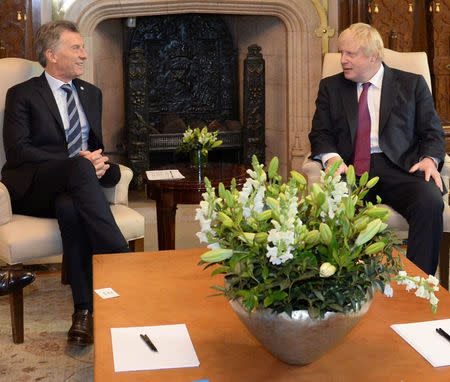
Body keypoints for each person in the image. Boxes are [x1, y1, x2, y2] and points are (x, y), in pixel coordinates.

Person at [1, 20, 130, 346]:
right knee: (76, 171)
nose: (85, 55)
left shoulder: (91, 94)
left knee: (72, 209)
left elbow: (95, 146)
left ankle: (83, 313)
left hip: (76, 190)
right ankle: (123, 260)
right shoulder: (22, 95)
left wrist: (101, 166)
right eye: (76, 47)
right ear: (51, 54)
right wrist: (77, 164)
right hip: (34, 188)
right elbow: (17, 152)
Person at [309, 23, 445, 276]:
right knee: (329, 203)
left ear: (373, 56)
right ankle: (341, 283)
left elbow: (432, 132)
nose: (343, 60)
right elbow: (320, 133)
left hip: (399, 166)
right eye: (341, 53)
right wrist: (331, 158)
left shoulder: (411, 84)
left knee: (429, 201)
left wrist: (429, 160)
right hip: (349, 168)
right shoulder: (331, 87)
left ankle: (417, 284)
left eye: (350, 54)